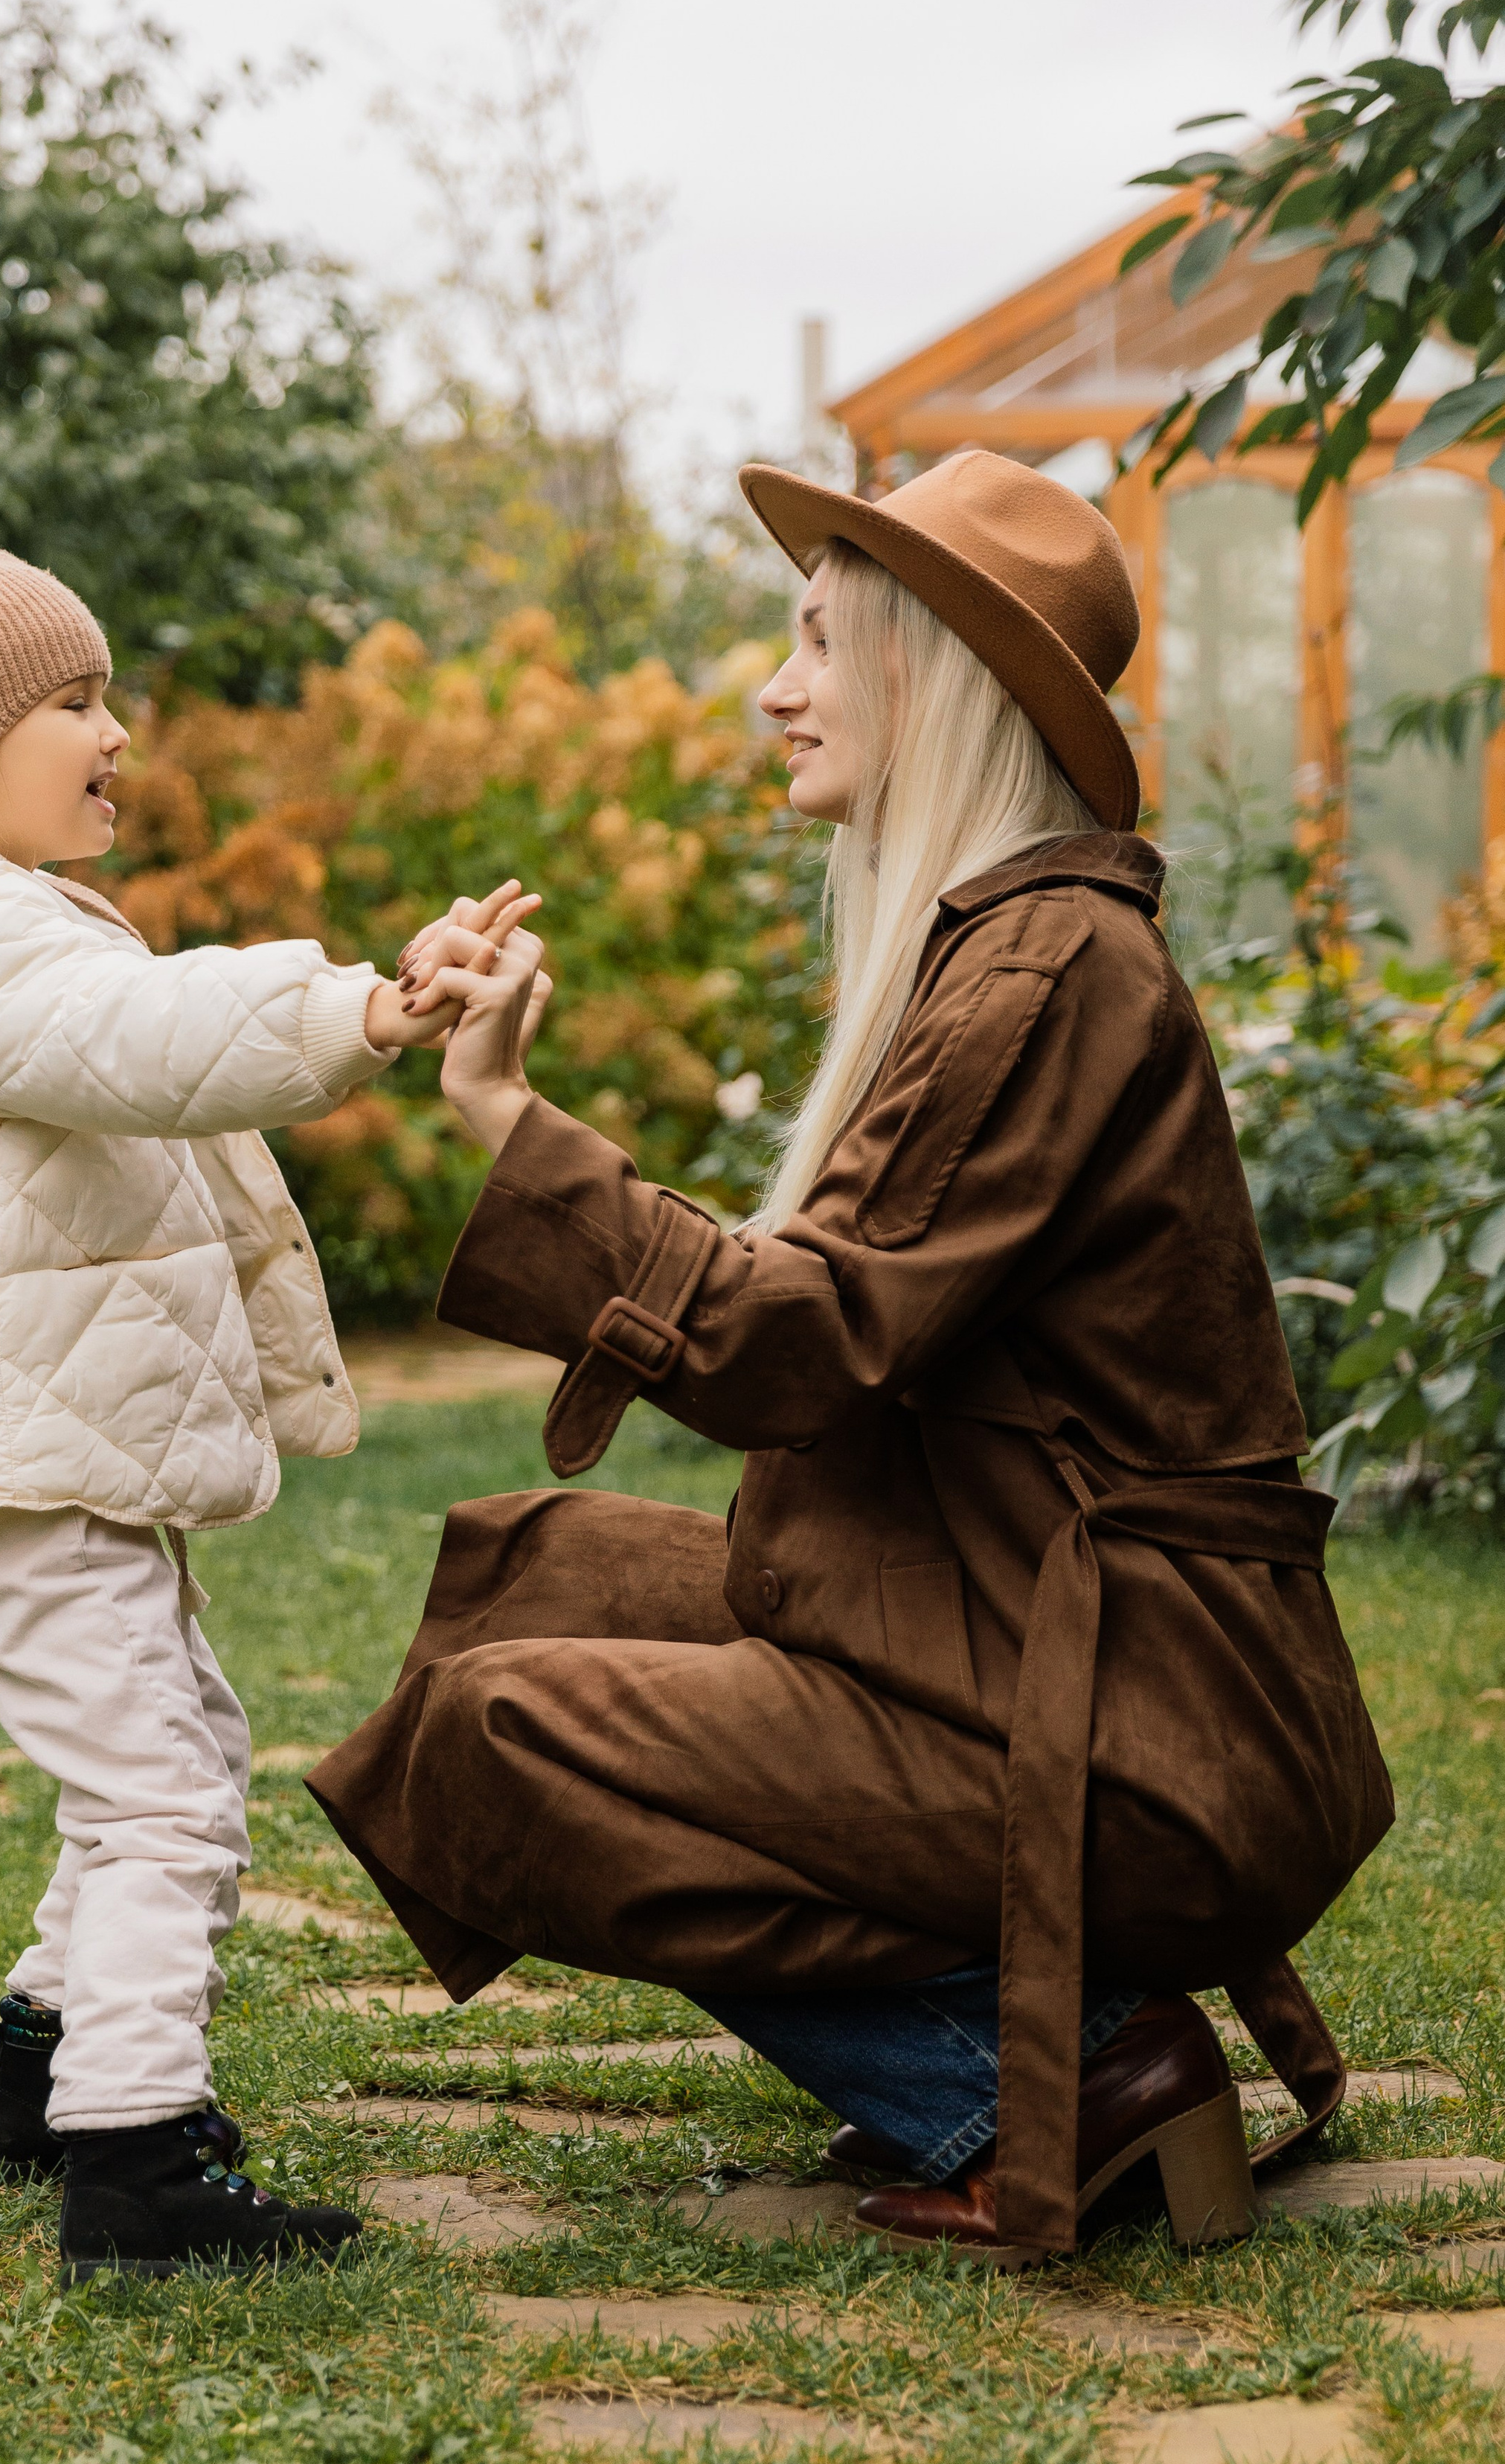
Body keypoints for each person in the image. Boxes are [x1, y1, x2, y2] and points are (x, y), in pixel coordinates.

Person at [307, 450, 1394, 2268]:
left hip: (1138, 1736)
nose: (773, 686)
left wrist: (509, 1119)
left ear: (934, 675)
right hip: (1021, 1643)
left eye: (818, 640)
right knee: (531, 1577)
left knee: (505, 1740)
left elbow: (795, 1344)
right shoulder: (1010, 951)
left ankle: (1050, 2077)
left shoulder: (1041, 973)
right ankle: (1027, 2038)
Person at [0, 513, 538, 2284]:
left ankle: (43, 2081)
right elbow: (146, 1039)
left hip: (32, 1450)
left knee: (168, 1754)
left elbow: (124, 1032)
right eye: (75, 701)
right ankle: (137, 2160)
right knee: (161, 1789)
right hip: (12, 1456)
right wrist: (363, 1008)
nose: (116, 731)